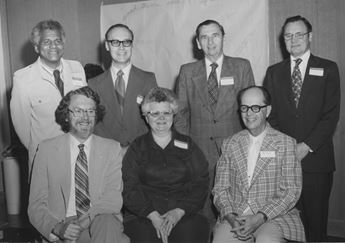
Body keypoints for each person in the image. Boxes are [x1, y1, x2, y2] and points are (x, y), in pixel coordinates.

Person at [263, 15, 340, 241]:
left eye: (299, 34)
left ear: (310, 37)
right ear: (283, 39)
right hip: (283, 162)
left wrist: (306, 147)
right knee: (286, 226)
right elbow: (271, 115)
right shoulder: (273, 72)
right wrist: (288, 148)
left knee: (315, 226)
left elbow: (330, 116)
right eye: (288, 35)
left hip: (317, 161)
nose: (293, 39)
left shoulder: (328, 68)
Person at [174, 19, 255, 223]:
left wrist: (247, 146)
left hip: (235, 150)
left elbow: (250, 113)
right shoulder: (187, 71)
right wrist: (186, 148)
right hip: (198, 151)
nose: (210, 42)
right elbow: (180, 114)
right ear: (198, 43)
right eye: (204, 37)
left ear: (223, 38)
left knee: (235, 208)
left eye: (215, 35)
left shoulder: (241, 67)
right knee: (202, 210)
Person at [28, 87, 129, 243]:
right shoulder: (46, 150)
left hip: (99, 221)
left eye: (90, 111)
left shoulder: (111, 148)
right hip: (62, 224)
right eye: (78, 111)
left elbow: (112, 199)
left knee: (107, 222)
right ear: (67, 116)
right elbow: (36, 206)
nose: (85, 117)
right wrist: (59, 228)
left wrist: (81, 224)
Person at [212, 86, 305, 243]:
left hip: (274, 216)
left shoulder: (286, 143)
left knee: (266, 241)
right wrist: (231, 217)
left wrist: (260, 217)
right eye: (244, 108)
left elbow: (292, 191)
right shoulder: (230, 144)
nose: (249, 113)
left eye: (256, 107)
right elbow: (220, 189)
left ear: (267, 111)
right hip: (236, 216)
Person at [122, 87, 210, 243]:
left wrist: (179, 212)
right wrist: (152, 215)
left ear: (173, 114)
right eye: (155, 113)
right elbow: (129, 187)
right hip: (143, 215)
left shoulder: (188, 144)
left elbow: (201, 182)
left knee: (188, 235)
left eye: (166, 113)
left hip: (184, 212)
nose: (161, 118)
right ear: (146, 116)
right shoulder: (137, 147)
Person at [10, 19, 87, 170]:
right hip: (45, 157)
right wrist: (40, 150)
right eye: (46, 42)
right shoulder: (23, 78)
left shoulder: (77, 68)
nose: (53, 46)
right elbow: (22, 126)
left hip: (78, 151)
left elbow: (85, 108)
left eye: (58, 41)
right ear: (36, 47)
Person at [88, 23, 157, 147]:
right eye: (115, 42)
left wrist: (133, 146)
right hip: (107, 150)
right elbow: (94, 121)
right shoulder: (94, 84)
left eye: (126, 42)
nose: (121, 47)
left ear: (132, 45)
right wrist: (114, 148)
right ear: (107, 46)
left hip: (140, 149)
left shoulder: (148, 79)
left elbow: (154, 117)